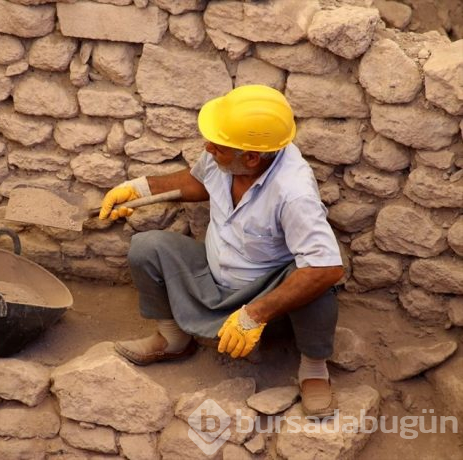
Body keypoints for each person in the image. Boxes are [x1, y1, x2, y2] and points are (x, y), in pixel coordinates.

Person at [99, 85, 344, 417]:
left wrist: (254, 314)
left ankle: (314, 370)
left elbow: (326, 267)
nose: (207, 147)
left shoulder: (293, 192)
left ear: (252, 158)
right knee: (147, 247)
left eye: (217, 147)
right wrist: (138, 188)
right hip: (212, 273)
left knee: (318, 283)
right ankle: (173, 339)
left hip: (263, 287)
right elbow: (197, 181)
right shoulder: (230, 153)